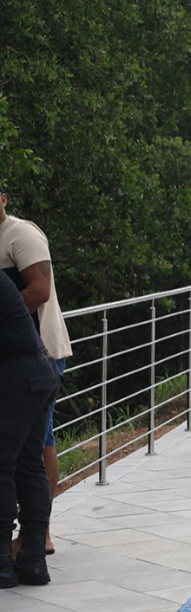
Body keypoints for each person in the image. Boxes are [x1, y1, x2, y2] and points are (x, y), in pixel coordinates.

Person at [0, 183, 71, 558]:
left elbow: (39, 290)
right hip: (11, 359)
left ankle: (38, 534)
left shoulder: (20, 233)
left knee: (38, 441)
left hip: (38, 355)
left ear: (4, 199)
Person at [0, 270, 61, 588]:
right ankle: (34, 563)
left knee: (2, 467)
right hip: (39, 371)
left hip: (20, 374)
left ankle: (2, 567)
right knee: (29, 466)